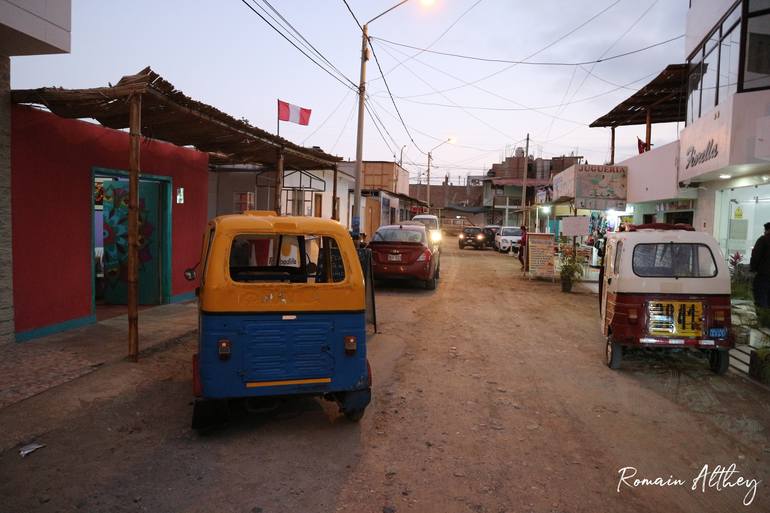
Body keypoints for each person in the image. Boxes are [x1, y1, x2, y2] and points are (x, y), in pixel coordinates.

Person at [750, 222, 770, 307]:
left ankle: (763, 318)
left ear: (767, 230)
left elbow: (756, 256)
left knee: (761, 299)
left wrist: (753, 269)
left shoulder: (763, 240)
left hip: (764, 275)